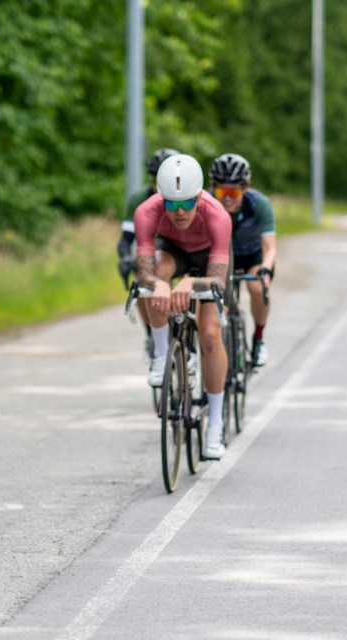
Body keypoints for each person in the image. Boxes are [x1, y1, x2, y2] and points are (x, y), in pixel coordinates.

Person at [133, 154, 232, 460]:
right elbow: (144, 271)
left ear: (200, 196)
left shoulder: (217, 216)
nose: (179, 212)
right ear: (160, 198)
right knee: (156, 279)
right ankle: (162, 354)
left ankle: (215, 422)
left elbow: (216, 280)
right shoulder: (146, 212)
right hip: (173, 251)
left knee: (210, 336)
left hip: (208, 258)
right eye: (171, 204)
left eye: (187, 204)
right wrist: (160, 284)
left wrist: (190, 283)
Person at [208, 153, 276, 366]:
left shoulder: (259, 204)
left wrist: (265, 268)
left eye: (233, 191)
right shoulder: (207, 203)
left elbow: (270, 246)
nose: (226, 197)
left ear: (245, 188)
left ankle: (258, 338)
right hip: (220, 256)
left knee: (257, 287)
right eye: (221, 190)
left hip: (251, 256)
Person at [117, 148, 179, 365]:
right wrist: (126, 258)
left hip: (179, 250)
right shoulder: (139, 199)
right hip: (151, 249)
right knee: (142, 284)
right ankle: (151, 334)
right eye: (154, 179)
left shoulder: (184, 197)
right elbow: (126, 239)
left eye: (163, 179)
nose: (157, 185)